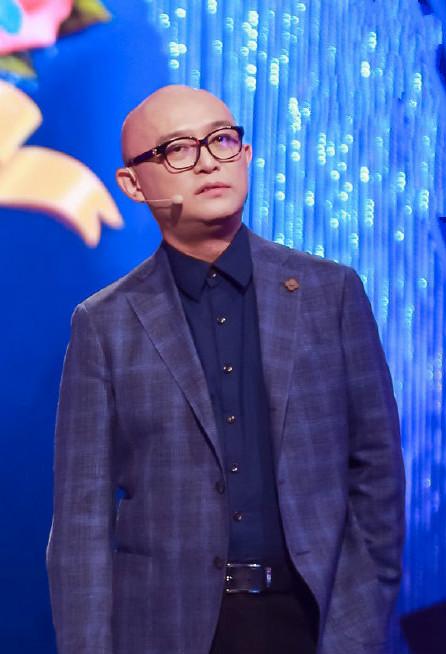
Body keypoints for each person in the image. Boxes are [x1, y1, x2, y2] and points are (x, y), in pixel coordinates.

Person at [46, 85, 405, 654]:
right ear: (133, 184)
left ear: (246, 154)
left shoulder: (330, 293)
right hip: (167, 630)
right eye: (177, 150)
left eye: (221, 140)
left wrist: (362, 617)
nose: (208, 161)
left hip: (315, 624)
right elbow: (81, 520)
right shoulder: (105, 324)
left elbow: (377, 471)